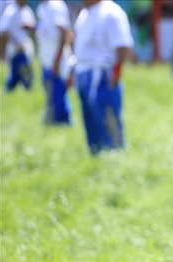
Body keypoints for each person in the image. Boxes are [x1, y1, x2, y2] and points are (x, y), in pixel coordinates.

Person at [71, 0, 134, 154]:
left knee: (107, 117)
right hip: (84, 72)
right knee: (90, 118)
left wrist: (116, 72)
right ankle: (95, 152)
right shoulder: (84, 13)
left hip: (103, 74)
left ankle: (114, 151)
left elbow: (122, 45)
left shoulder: (111, 12)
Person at [35, 0, 73, 125]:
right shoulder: (42, 7)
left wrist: (57, 59)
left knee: (57, 93)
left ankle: (62, 123)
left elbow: (64, 33)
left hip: (56, 60)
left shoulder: (55, 6)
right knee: (51, 92)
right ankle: (57, 122)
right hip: (47, 59)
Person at [0, 0, 35, 92]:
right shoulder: (10, 11)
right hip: (14, 47)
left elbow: (34, 27)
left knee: (21, 72)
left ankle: (15, 89)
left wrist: (29, 26)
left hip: (25, 46)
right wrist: (13, 43)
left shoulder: (27, 10)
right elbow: (3, 31)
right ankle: (12, 88)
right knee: (19, 71)